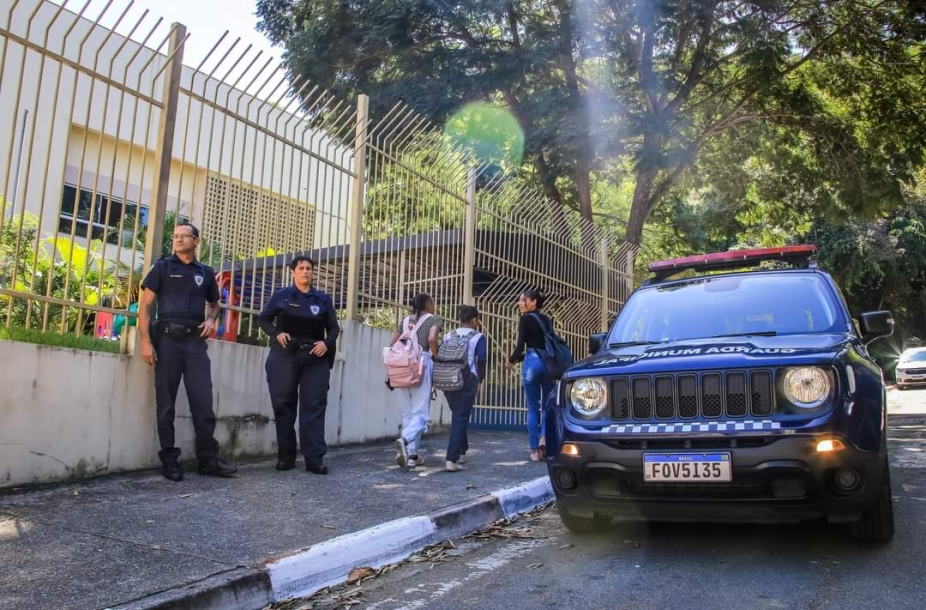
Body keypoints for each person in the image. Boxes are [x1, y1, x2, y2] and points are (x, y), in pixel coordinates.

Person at [138, 223, 238, 482]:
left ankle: (208, 459)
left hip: (195, 343)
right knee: (166, 404)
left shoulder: (204, 272)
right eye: (176, 236)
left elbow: (214, 304)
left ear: (196, 241)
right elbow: (146, 307)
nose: (179, 240)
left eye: (185, 236)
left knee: (203, 402)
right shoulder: (162, 267)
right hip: (167, 342)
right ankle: (169, 460)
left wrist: (211, 319)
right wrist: (146, 342)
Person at [257, 256, 340, 475]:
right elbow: (263, 319)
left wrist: (326, 343)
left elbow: (333, 328)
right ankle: (286, 456)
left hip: (314, 358)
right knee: (284, 406)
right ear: (293, 272)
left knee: (313, 407)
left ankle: (314, 458)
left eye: (309, 269)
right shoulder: (281, 296)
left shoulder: (322, 299)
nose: (305, 271)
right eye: (301, 268)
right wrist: (277, 333)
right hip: (285, 356)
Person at [390, 293, 443, 469]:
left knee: (407, 413)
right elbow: (431, 339)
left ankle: (412, 456)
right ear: (428, 304)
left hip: (401, 366)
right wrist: (438, 358)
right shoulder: (434, 319)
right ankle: (405, 440)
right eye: (433, 302)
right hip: (421, 364)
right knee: (421, 414)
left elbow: (393, 345)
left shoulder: (404, 321)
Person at [504, 288, 555, 462]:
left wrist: (510, 362)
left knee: (533, 408)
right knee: (548, 406)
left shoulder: (525, 319)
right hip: (548, 363)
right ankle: (544, 440)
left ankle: (534, 451)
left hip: (532, 362)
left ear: (533, 302)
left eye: (522, 300)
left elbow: (520, 347)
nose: (519, 303)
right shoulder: (547, 320)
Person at [442, 306, 487, 472]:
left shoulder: (448, 335)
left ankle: (462, 451)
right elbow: (481, 361)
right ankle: (451, 459)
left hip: (447, 379)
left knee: (458, 415)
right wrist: (480, 381)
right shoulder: (478, 337)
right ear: (474, 320)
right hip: (467, 379)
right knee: (460, 417)